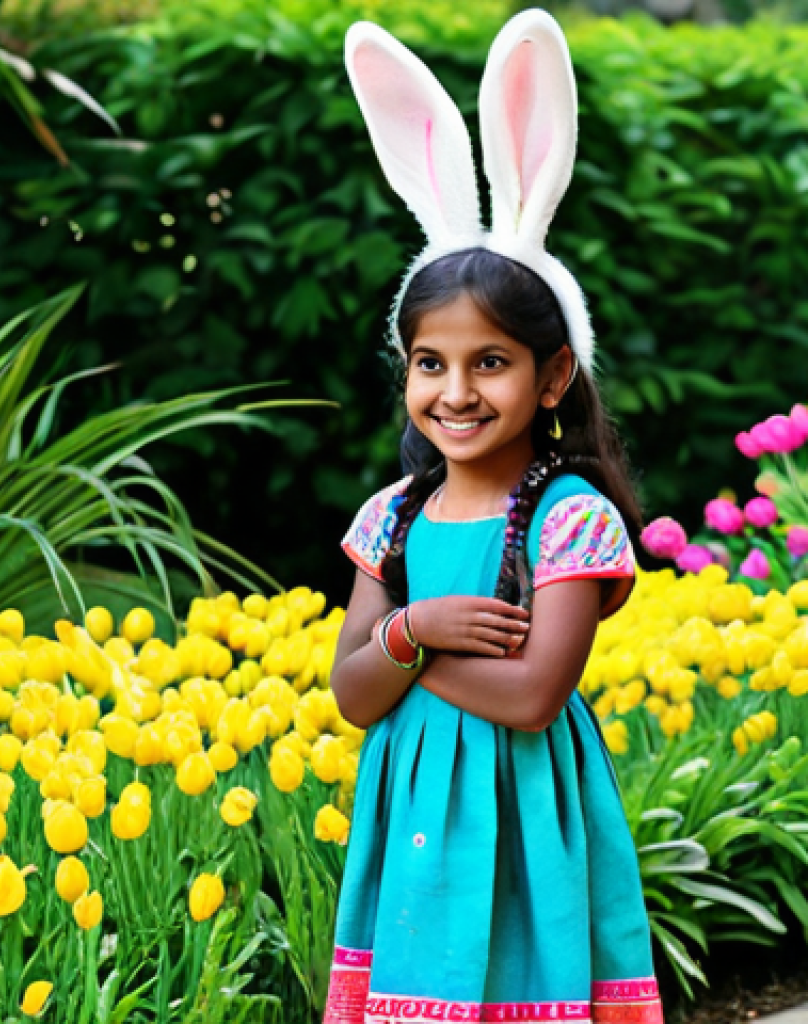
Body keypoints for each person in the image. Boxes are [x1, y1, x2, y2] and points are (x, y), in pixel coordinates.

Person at [323, 11, 663, 1024]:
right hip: (413, 822)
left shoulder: (569, 518)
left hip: (527, 825)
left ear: (552, 374)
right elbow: (349, 689)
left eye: (491, 363)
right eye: (430, 363)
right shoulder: (390, 516)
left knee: (523, 992)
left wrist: (402, 659)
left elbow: (528, 697)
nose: (455, 392)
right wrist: (414, 627)